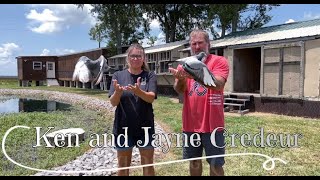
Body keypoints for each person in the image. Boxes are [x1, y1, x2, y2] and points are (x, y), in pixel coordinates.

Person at [169, 29, 229, 176]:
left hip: (213, 125)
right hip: (190, 124)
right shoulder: (184, 64)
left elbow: (218, 84)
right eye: (193, 44)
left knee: (215, 164)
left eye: (200, 43)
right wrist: (182, 79)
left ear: (208, 44)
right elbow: (179, 89)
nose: (196, 47)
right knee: (194, 162)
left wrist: (195, 75)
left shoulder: (219, 61)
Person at [109, 43, 157, 176]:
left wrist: (138, 91)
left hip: (145, 128)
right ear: (127, 58)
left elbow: (151, 98)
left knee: (148, 164)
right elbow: (113, 102)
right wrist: (118, 92)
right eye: (133, 56)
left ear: (143, 58)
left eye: (139, 56)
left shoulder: (150, 76)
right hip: (123, 127)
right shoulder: (118, 76)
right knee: (123, 166)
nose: (135, 59)